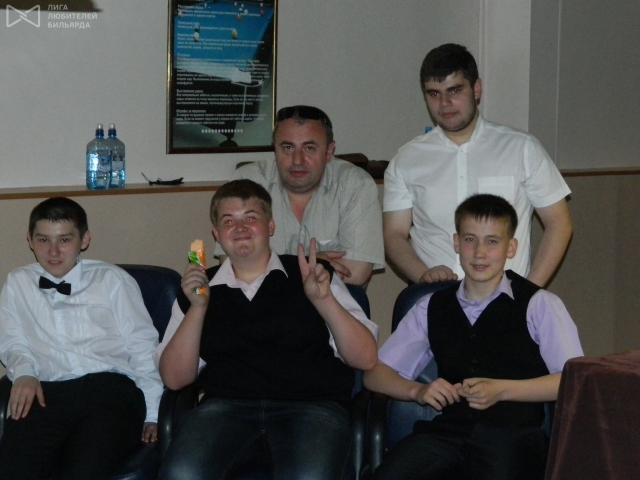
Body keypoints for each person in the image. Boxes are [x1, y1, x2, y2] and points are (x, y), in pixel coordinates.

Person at [156, 179, 378, 480]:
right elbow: (175, 378)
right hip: (225, 409)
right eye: (228, 221)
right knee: (182, 473)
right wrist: (198, 307)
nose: (240, 228)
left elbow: (365, 358)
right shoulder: (198, 287)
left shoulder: (311, 273)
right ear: (216, 234)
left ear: (270, 226)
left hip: (311, 407)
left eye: (251, 218)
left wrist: (323, 300)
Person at [364, 193, 583, 480]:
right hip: (447, 434)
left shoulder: (540, 304)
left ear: (511, 248)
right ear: (456, 243)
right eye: (470, 239)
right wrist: (417, 391)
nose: (479, 252)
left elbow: (572, 380)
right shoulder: (431, 306)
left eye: (492, 241)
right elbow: (375, 375)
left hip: (512, 437)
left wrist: (503, 390)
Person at [0, 197, 163, 480]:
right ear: (29, 240)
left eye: (64, 240)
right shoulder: (18, 282)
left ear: (84, 240)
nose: (53, 251)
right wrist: (24, 372)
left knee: (83, 471)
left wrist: (153, 412)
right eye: (43, 240)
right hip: (45, 392)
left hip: (109, 391)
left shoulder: (112, 280)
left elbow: (143, 348)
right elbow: (12, 341)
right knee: (14, 470)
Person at [383, 43, 573, 287]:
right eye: (434, 94)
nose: (444, 103)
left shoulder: (522, 148)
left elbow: (559, 223)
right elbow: (394, 234)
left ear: (476, 89)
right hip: (434, 297)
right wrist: (424, 276)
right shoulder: (407, 158)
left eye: (454, 90)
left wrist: (528, 293)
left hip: (506, 296)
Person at [224, 105, 385, 287]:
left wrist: (272, 268)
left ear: (329, 151)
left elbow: (356, 273)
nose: (297, 160)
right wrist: (311, 264)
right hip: (263, 300)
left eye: (309, 148)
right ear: (275, 149)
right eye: (288, 147)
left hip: (333, 299)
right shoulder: (246, 182)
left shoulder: (355, 184)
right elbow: (232, 265)